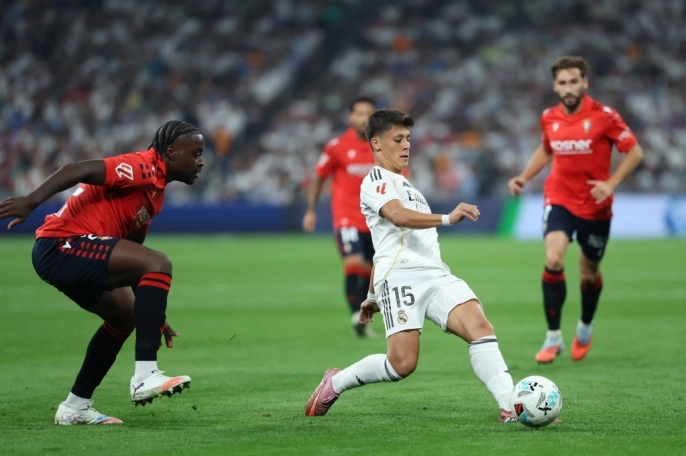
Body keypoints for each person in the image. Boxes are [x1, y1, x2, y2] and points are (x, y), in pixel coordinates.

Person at [304, 109, 517, 422]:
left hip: (435, 274)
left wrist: (371, 297)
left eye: (408, 138)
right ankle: (335, 383)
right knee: (402, 364)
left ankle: (511, 407)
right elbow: (397, 217)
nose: (406, 145)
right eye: (398, 139)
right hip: (401, 279)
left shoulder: (408, 186)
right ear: (376, 143)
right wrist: (448, 218)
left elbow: (383, 246)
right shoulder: (375, 180)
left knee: (480, 328)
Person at [0, 120, 205, 425]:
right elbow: (77, 169)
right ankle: (145, 376)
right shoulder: (142, 167)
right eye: (196, 153)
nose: (201, 161)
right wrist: (32, 201)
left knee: (125, 316)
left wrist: (151, 314)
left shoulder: (155, 195)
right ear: (172, 152)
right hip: (62, 244)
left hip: (68, 250)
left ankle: (75, 407)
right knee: (160, 263)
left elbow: (135, 258)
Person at [507, 56, 644, 364]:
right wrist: (524, 177)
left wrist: (611, 183)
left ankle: (585, 326)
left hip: (595, 206)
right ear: (555, 86)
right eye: (562, 83)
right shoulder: (549, 117)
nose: (568, 88)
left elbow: (634, 151)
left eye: (573, 82)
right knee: (553, 258)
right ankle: (553, 336)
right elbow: (547, 148)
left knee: (588, 273)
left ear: (584, 83)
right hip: (559, 199)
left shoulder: (605, 116)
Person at [302, 96, 377, 337]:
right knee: (353, 262)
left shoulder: (382, 146)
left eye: (368, 113)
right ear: (351, 117)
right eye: (359, 113)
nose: (364, 118)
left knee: (372, 271)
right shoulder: (337, 146)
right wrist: (311, 210)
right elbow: (319, 178)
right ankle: (356, 315)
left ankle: (361, 319)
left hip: (376, 220)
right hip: (347, 218)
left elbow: (401, 177)